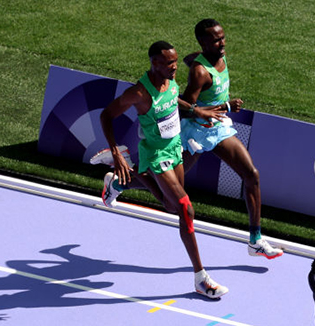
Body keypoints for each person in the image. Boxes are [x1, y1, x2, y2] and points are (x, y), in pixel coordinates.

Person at [102, 20, 283, 261]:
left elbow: (191, 60)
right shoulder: (198, 72)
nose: (223, 43)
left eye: (222, 37)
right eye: (217, 40)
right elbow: (183, 107)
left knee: (251, 174)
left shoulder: (215, 56)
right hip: (193, 133)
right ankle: (119, 183)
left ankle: (256, 240)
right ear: (204, 43)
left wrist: (219, 107)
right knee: (170, 199)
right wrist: (218, 107)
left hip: (216, 127)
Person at [100, 40, 229, 299]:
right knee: (185, 208)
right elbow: (106, 115)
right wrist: (115, 150)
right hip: (157, 154)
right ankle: (201, 278)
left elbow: (174, 100)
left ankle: (119, 182)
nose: (174, 67)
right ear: (155, 63)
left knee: (170, 206)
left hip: (174, 147)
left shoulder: (170, 83)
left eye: (175, 61)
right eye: (170, 63)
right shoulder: (138, 93)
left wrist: (197, 110)